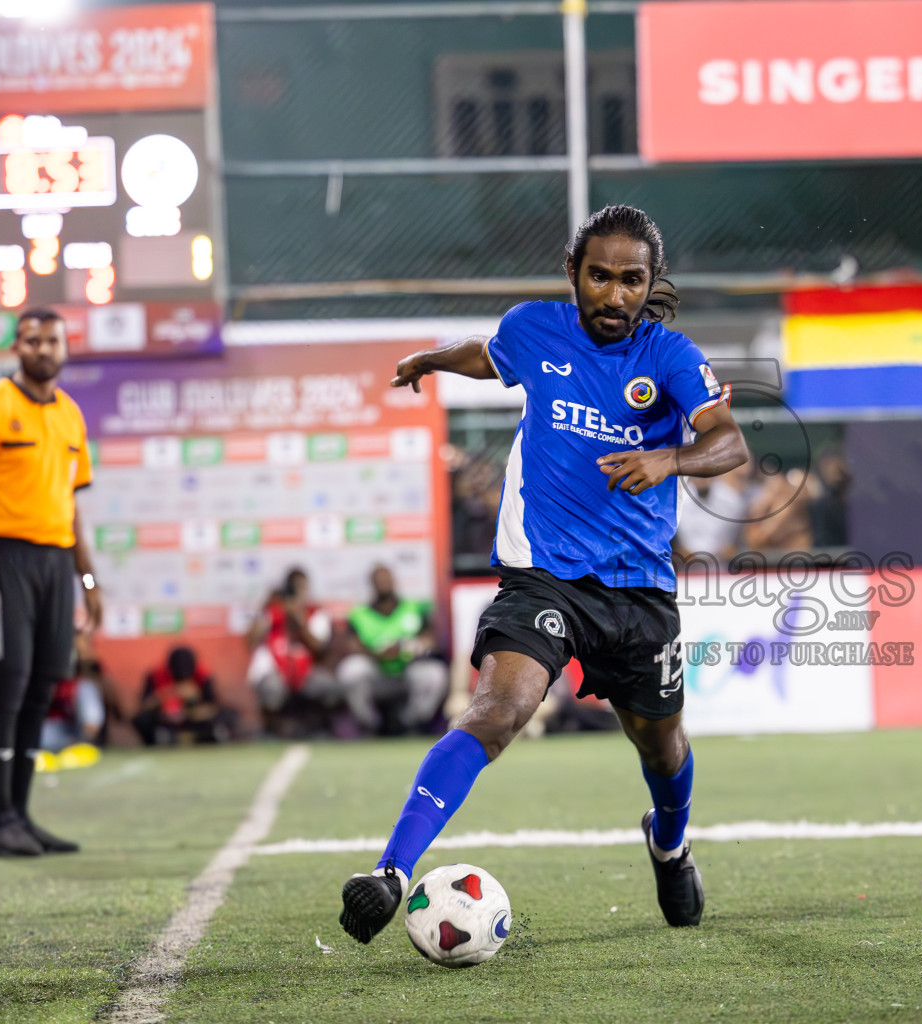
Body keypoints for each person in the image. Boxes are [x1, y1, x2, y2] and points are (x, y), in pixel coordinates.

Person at [337, 205, 747, 943]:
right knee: (498, 711)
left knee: (662, 744)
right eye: (600, 277)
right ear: (573, 273)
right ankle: (391, 872)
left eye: (631, 280)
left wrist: (670, 458)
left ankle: (670, 841)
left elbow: (729, 442)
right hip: (542, 575)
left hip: (638, 587)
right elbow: (488, 352)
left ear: (650, 284)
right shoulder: (536, 328)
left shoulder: (672, 357)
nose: (614, 295)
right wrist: (432, 359)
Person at [0, 308, 102, 856]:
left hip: (57, 561)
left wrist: (87, 577)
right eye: (32, 340)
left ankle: (21, 815)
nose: (42, 348)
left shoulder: (71, 416)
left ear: (63, 347)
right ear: (17, 347)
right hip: (3, 557)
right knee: (6, 684)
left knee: (42, 685)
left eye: (51, 340)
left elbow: (72, 507)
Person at [336, 565, 447, 734]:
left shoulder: (414, 608)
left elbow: (430, 640)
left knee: (435, 674)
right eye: (379, 581)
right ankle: (371, 725)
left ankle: (410, 723)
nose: (384, 584)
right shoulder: (360, 613)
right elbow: (352, 645)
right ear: (372, 584)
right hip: (377, 671)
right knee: (350, 670)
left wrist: (406, 648)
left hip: (408, 668)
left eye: (387, 580)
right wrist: (378, 654)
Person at [245, 568, 339, 735]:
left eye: (301, 587)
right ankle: (272, 731)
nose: (297, 593)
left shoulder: (314, 613)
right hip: (275, 671)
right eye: (293, 588)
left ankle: (318, 729)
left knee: (328, 686)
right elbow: (251, 641)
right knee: (272, 687)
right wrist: (267, 606)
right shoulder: (273, 612)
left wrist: (300, 622)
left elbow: (318, 647)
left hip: (306, 671)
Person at [133, 647, 229, 746]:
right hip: (165, 719)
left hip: (194, 719)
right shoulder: (156, 675)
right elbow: (144, 706)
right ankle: (158, 741)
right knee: (142, 720)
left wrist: (194, 704)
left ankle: (201, 737)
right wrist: (168, 694)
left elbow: (213, 705)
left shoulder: (202, 675)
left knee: (227, 715)